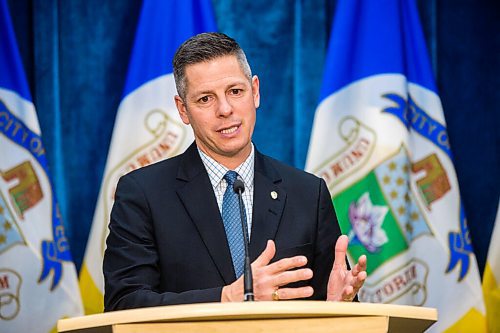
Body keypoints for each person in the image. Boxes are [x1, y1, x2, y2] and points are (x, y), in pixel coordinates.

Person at [103, 32, 366, 311]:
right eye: (205, 99)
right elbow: (124, 304)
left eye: (235, 91)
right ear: (183, 110)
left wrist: (339, 306)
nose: (225, 109)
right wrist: (227, 297)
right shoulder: (143, 194)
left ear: (255, 91)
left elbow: (331, 307)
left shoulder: (308, 193)